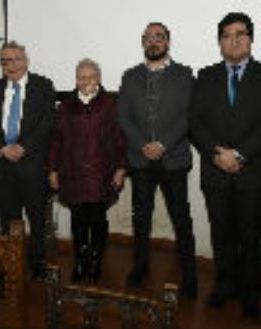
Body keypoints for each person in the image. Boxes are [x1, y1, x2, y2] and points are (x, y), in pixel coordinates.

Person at [189, 12, 261, 320]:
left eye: (240, 34)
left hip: (251, 172)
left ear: (250, 39)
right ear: (220, 42)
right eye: (227, 35)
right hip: (214, 171)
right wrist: (217, 153)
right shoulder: (205, 75)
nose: (234, 40)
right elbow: (195, 121)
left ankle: (251, 293)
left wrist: (239, 154)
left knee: (250, 237)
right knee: (222, 235)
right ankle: (225, 285)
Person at [117, 22, 197, 299]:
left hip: (174, 158)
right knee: (141, 218)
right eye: (148, 38)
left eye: (159, 37)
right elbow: (123, 116)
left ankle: (190, 274)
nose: (154, 42)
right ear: (143, 43)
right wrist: (143, 145)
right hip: (140, 161)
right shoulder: (129, 76)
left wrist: (163, 144)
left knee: (181, 219)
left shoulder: (185, 74)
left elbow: (189, 116)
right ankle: (140, 266)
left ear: (168, 42)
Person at [47, 58, 126, 283]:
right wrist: (52, 170)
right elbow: (56, 140)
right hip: (72, 174)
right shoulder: (65, 106)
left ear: (99, 79)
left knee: (98, 219)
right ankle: (81, 260)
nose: (86, 81)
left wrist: (121, 168)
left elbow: (120, 139)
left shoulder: (111, 104)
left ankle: (96, 260)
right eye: (82, 77)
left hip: (103, 173)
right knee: (78, 219)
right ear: (76, 79)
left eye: (91, 77)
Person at [0, 41, 56, 279]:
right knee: (8, 219)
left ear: (26, 61)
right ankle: (10, 264)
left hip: (32, 164)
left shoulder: (43, 86)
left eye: (16, 59)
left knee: (37, 218)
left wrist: (23, 147)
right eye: (5, 61)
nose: (11, 65)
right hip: (3, 165)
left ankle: (37, 263)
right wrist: (2, 148)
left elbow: (47, 122)